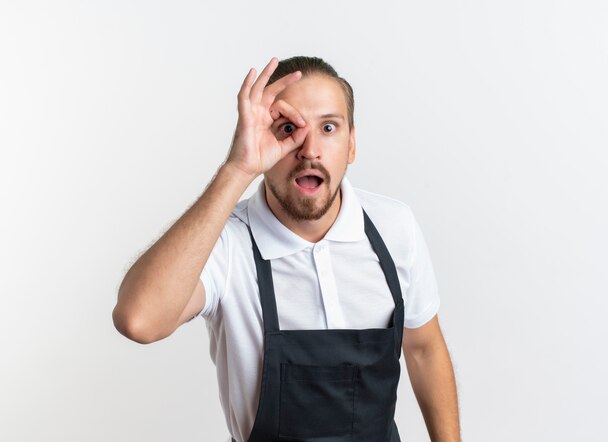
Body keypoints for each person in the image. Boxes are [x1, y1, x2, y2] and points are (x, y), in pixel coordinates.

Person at [113, 55, 461, 442]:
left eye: (328, 127)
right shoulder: (227, 244)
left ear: (351, 144)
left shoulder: (395, 227)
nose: (310, 149)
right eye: (288, 129)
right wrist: (237, 169)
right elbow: (139, 321)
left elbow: (424, 350)